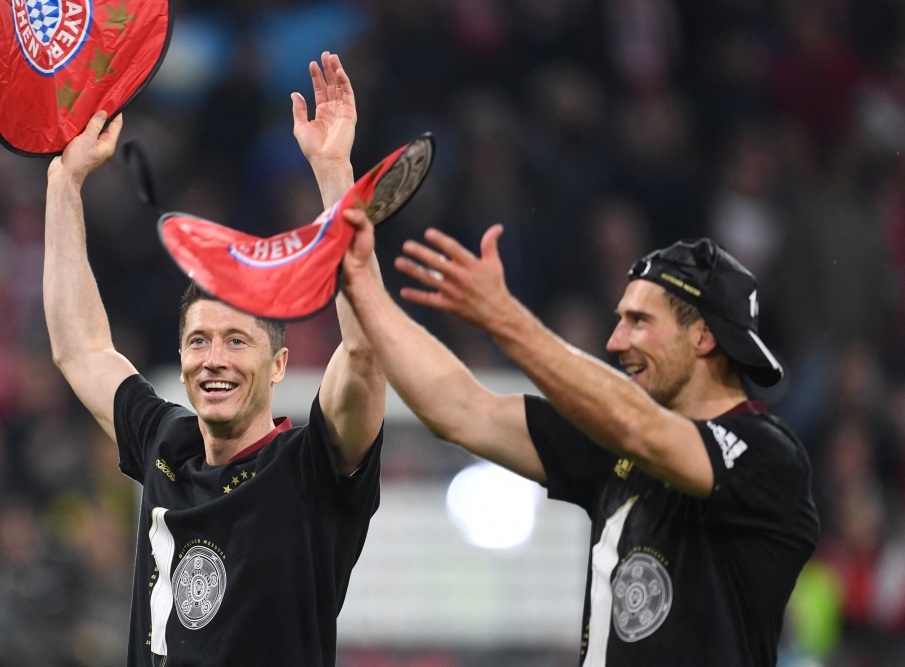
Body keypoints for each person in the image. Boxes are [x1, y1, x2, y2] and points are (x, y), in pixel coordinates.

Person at [337, 211, 819, 666]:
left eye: (639, 322)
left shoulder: (768, 455)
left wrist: (507, 320)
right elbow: (463, 410)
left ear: (703, 337)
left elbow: (645, 433)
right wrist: (359, 284)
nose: (615, 341)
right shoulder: (617, 445)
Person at [43, 53, 386, 667]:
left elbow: (365, 353)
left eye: (237, 340)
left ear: (280, 365)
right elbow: (80, 347)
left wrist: (335, 173)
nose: (214, 359)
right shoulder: (165, 444)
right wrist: (64, 185)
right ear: (179, 358)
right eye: (199, 341)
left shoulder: (313, 466)